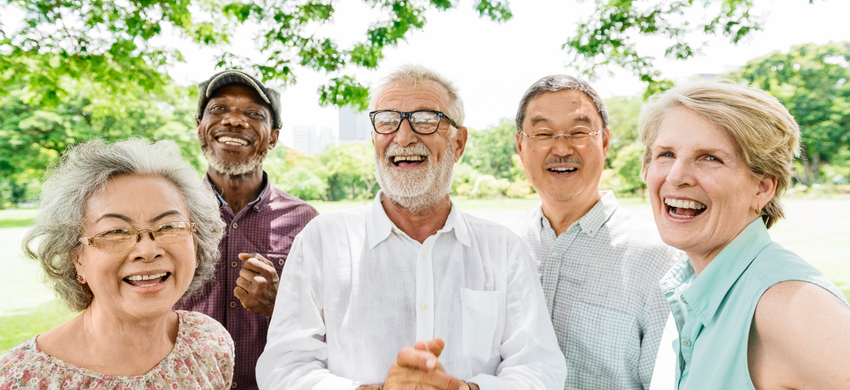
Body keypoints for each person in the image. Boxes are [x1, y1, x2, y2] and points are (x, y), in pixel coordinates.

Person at [256, 65, 566, 390]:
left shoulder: (503, 248)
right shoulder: (322, 241)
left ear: (458, 143)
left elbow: (539, 369)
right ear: (374, 138)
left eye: (425, 119)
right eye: (387, 121)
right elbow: (283, 369)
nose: (403, 137)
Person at [640, 81, 850, 389]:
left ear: (763, 188)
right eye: (666, 154)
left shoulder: (788, 304)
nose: (676, 176)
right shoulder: (697, 285)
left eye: (710, 157)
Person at [0, 139, 232, 388]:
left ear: (196, 244)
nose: (147, 251)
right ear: (76, 257)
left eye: (168, 226)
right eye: (116, 232)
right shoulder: (19, 379)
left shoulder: (209, 342)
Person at [503, 74, 682, 389]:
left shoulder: (657, 257)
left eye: (579, 132)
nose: (561, 148)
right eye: (543, 133)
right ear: (521, 145)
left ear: (605, 141)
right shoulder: (503, 245)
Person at [174, 69, 319, 390]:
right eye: (219, 109)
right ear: (199, 127)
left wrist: (280, 303)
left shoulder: (307, 221)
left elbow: (330, 327)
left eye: (253, 114)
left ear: (274, 136)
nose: (234, 121)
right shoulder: (167, 214)